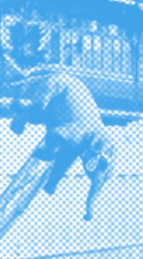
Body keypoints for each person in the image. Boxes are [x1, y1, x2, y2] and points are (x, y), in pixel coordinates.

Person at [1, 59, 116, 220]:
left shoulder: (84, 140)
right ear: (96, 150)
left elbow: (64, 160)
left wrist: (52, 182)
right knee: (37, 109)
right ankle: (21, 116)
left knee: (41, 120)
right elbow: (55, 134)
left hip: (59, 109)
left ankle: (19, 110)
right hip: (58, 86)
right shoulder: (83, 134)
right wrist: (49, 152)